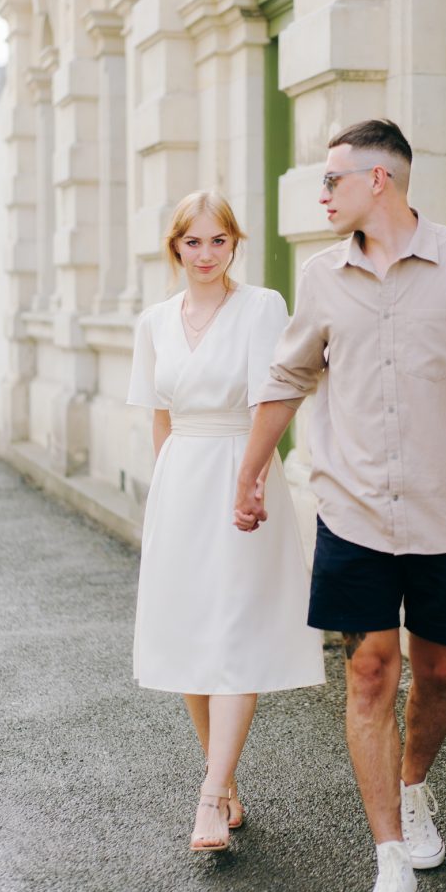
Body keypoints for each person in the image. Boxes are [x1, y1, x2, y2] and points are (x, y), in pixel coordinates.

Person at [234, 119, 446, 892]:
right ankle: (390, 861)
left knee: (439, 673)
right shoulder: (321, 276)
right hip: (356, 509)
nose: (321, 192)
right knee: (370, 672)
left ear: (382, 181)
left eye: (333, 179)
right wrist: (250, 470)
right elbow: (289, 374)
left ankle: (413, 792)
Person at [127, 190, 325, 854]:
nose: (206, 254)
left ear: (234, 244)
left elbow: (276, 396)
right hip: (181, 480)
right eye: (193, 241)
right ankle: (225, 775)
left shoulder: (261, 307)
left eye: (219, 241)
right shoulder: (154, 322)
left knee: (236, 628)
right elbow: (159, 411)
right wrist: (168, 489)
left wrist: (252, 479)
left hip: (244, 474)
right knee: (189, 632)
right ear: (175, 248)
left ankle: (211, 795)